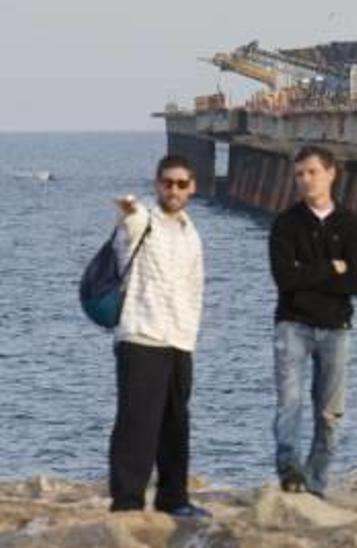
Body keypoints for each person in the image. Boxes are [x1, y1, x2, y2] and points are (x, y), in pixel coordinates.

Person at [109, 154, 208, 517]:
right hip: (142, 335)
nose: (174, 189)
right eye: (167, 182)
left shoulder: (190, 231)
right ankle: (127, 501)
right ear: (157, 184)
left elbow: (195, 286)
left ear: (192, 187)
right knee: (136, 422)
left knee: (175, 423)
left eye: (182, 184)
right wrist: (128, 209)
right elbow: (129, 221)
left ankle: (173, 497)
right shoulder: (143, 221)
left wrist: (191, 335)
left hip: (180, 339)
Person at [269, 145, 357, 497]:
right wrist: (331, 268)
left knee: (330, 413)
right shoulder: (285, 223)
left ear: (330, 173)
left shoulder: (350, 224)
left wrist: (306, 274)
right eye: (299, 174)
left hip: (336, 328)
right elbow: (284, 279)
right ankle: (290, 470)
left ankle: (317, 480)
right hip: (292, 324)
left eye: (311, 172)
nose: (305, 180)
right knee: (289, 404)